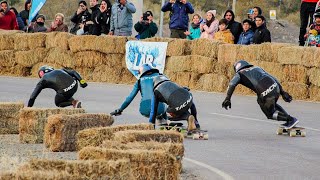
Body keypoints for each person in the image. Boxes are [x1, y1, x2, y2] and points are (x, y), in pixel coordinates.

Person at [222, 60, 299, 129]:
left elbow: (232, 84)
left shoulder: (239, 74)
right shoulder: (257, 68)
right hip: (275, 87)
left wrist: (227, 98)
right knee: (270, 103)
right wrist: (283, 92)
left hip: (265, 92)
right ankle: (288, 119)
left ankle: (290, 119)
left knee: (270, 114)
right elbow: (273, 78)